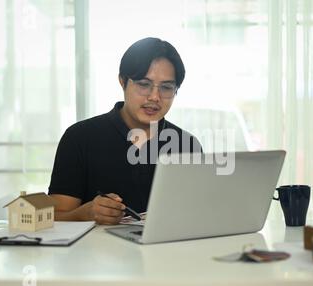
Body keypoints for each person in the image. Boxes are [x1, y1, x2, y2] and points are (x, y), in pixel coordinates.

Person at [48, 37, 202, 225]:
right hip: (95, 253)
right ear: (123, 81)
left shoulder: (187, 145)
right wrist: (84, 213)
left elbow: (198, 215)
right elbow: (52, 217)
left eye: (166, 88)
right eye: (144, 84)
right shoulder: (79, 137)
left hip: (167, 252)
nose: (154, 97)